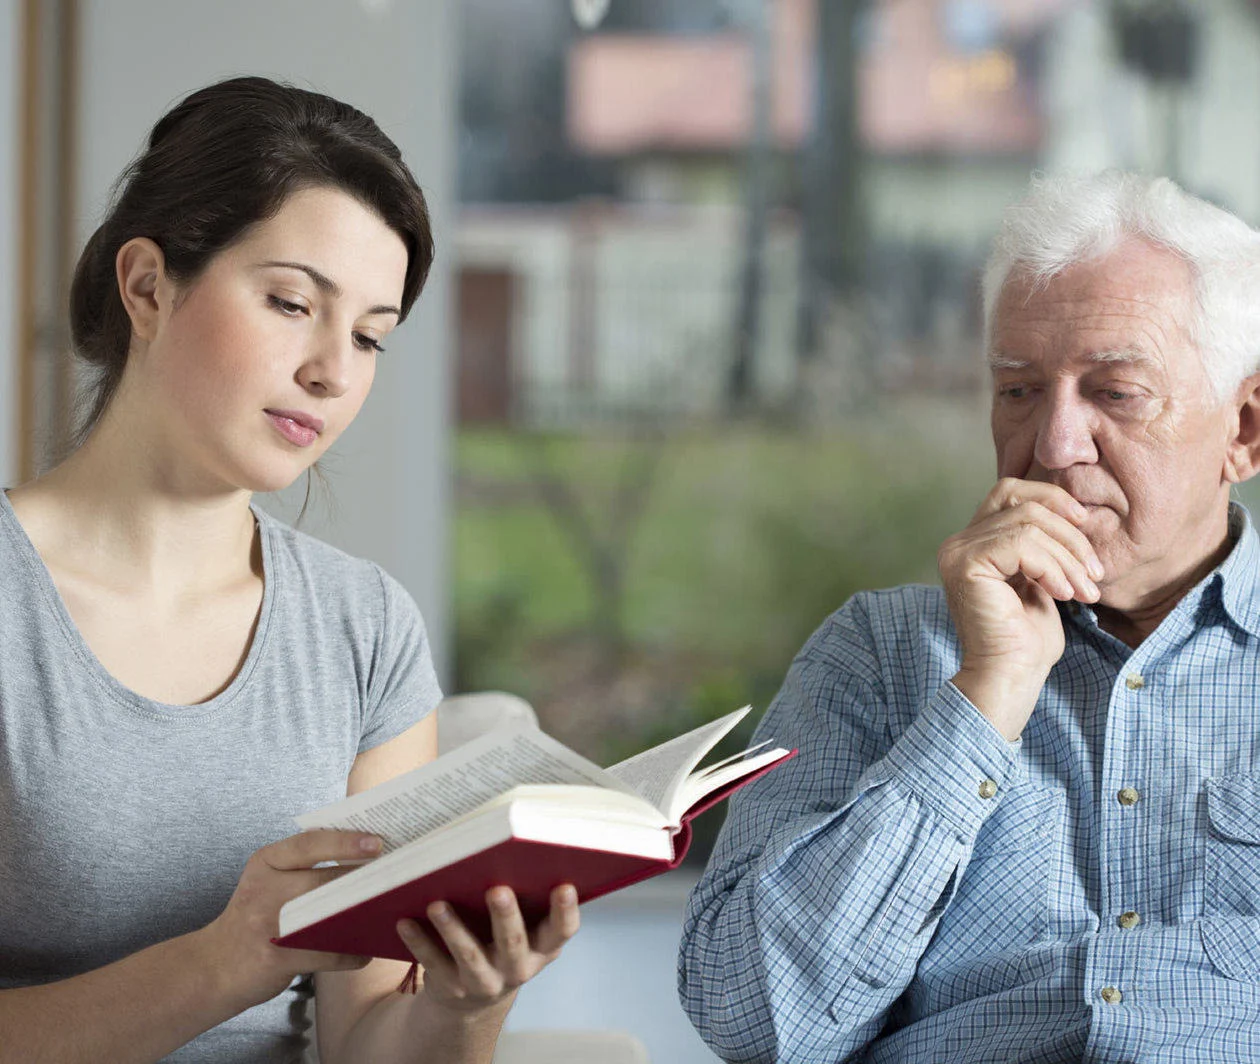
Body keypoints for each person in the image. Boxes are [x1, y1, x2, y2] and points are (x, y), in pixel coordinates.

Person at [0, 76, 577, 1064]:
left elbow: (369, 1042)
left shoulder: (365, 625)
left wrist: (465, 1003)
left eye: (369, 336)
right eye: (290, 302)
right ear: (147, 286)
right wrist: (228, 961)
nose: (332, 370)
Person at [678, 170, 1260, 1062]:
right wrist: (983, 700)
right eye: (1020, 391)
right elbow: (756, 1023)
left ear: (1245, 431)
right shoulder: (878, 654)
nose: (1055, 445)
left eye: (1114, 392)